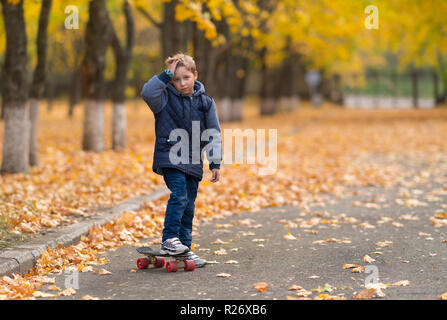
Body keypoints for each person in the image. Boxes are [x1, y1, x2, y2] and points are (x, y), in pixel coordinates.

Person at [141, 53, 222, 267]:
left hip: (194, 160)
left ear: (195, 75)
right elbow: (147, 92)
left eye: (186, 77)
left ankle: (184, 247)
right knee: (179, 195)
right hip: (170, 156)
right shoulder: (164, 97)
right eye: (176, 79)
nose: (181, 83)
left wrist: (215, 162)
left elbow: (213, 133)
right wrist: (166, 74)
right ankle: (169, 239)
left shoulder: (205, 102)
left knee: (189, 205)